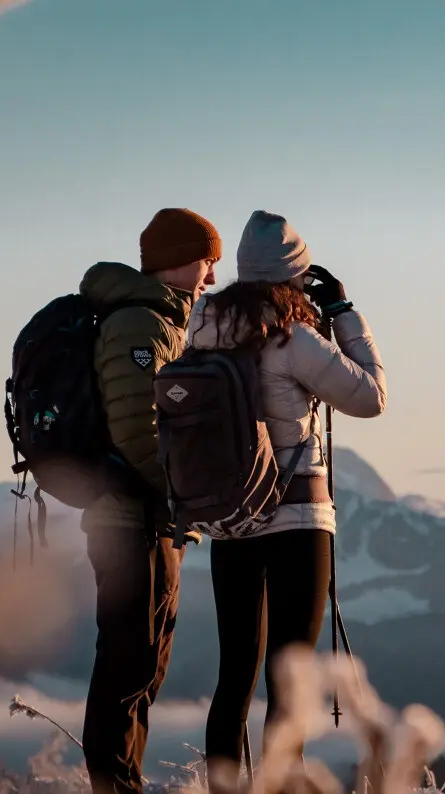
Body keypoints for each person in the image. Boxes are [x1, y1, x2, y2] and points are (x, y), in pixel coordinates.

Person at [186, 209, 387, 787]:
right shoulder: (292, 336)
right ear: (292, 277)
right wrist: (345, 314)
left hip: (231, 521)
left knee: (234, 677)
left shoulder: (203, 330)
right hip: (297, 520)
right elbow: (370, 395)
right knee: (290, 678)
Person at [78, 207, 221, 794]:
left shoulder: (159, 320)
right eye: (208, 263)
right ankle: (115, 786)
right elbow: (140, 433)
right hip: (133, 518)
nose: (212, 278)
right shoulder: (142, 325)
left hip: (149, 519)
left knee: (141, 665)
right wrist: (185, 499)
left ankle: (121, 782)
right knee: (128, 667)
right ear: (184, 259)